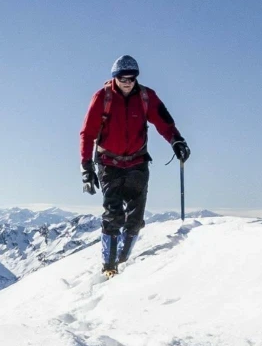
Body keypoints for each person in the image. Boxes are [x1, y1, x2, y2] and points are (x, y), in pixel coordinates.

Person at [80, 54, 190, 275]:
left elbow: (163, 122)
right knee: (113, 215)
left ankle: (123, 259)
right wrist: (86, 167)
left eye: (132, 78)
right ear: (115, 77)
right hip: (108, 163)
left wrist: (176, 140)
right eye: (123, 78)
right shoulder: (103, 97)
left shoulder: (147, 97)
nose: (128, 82)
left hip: (137, 162)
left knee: (136, 217)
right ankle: (109, 266)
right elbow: (87, 133)